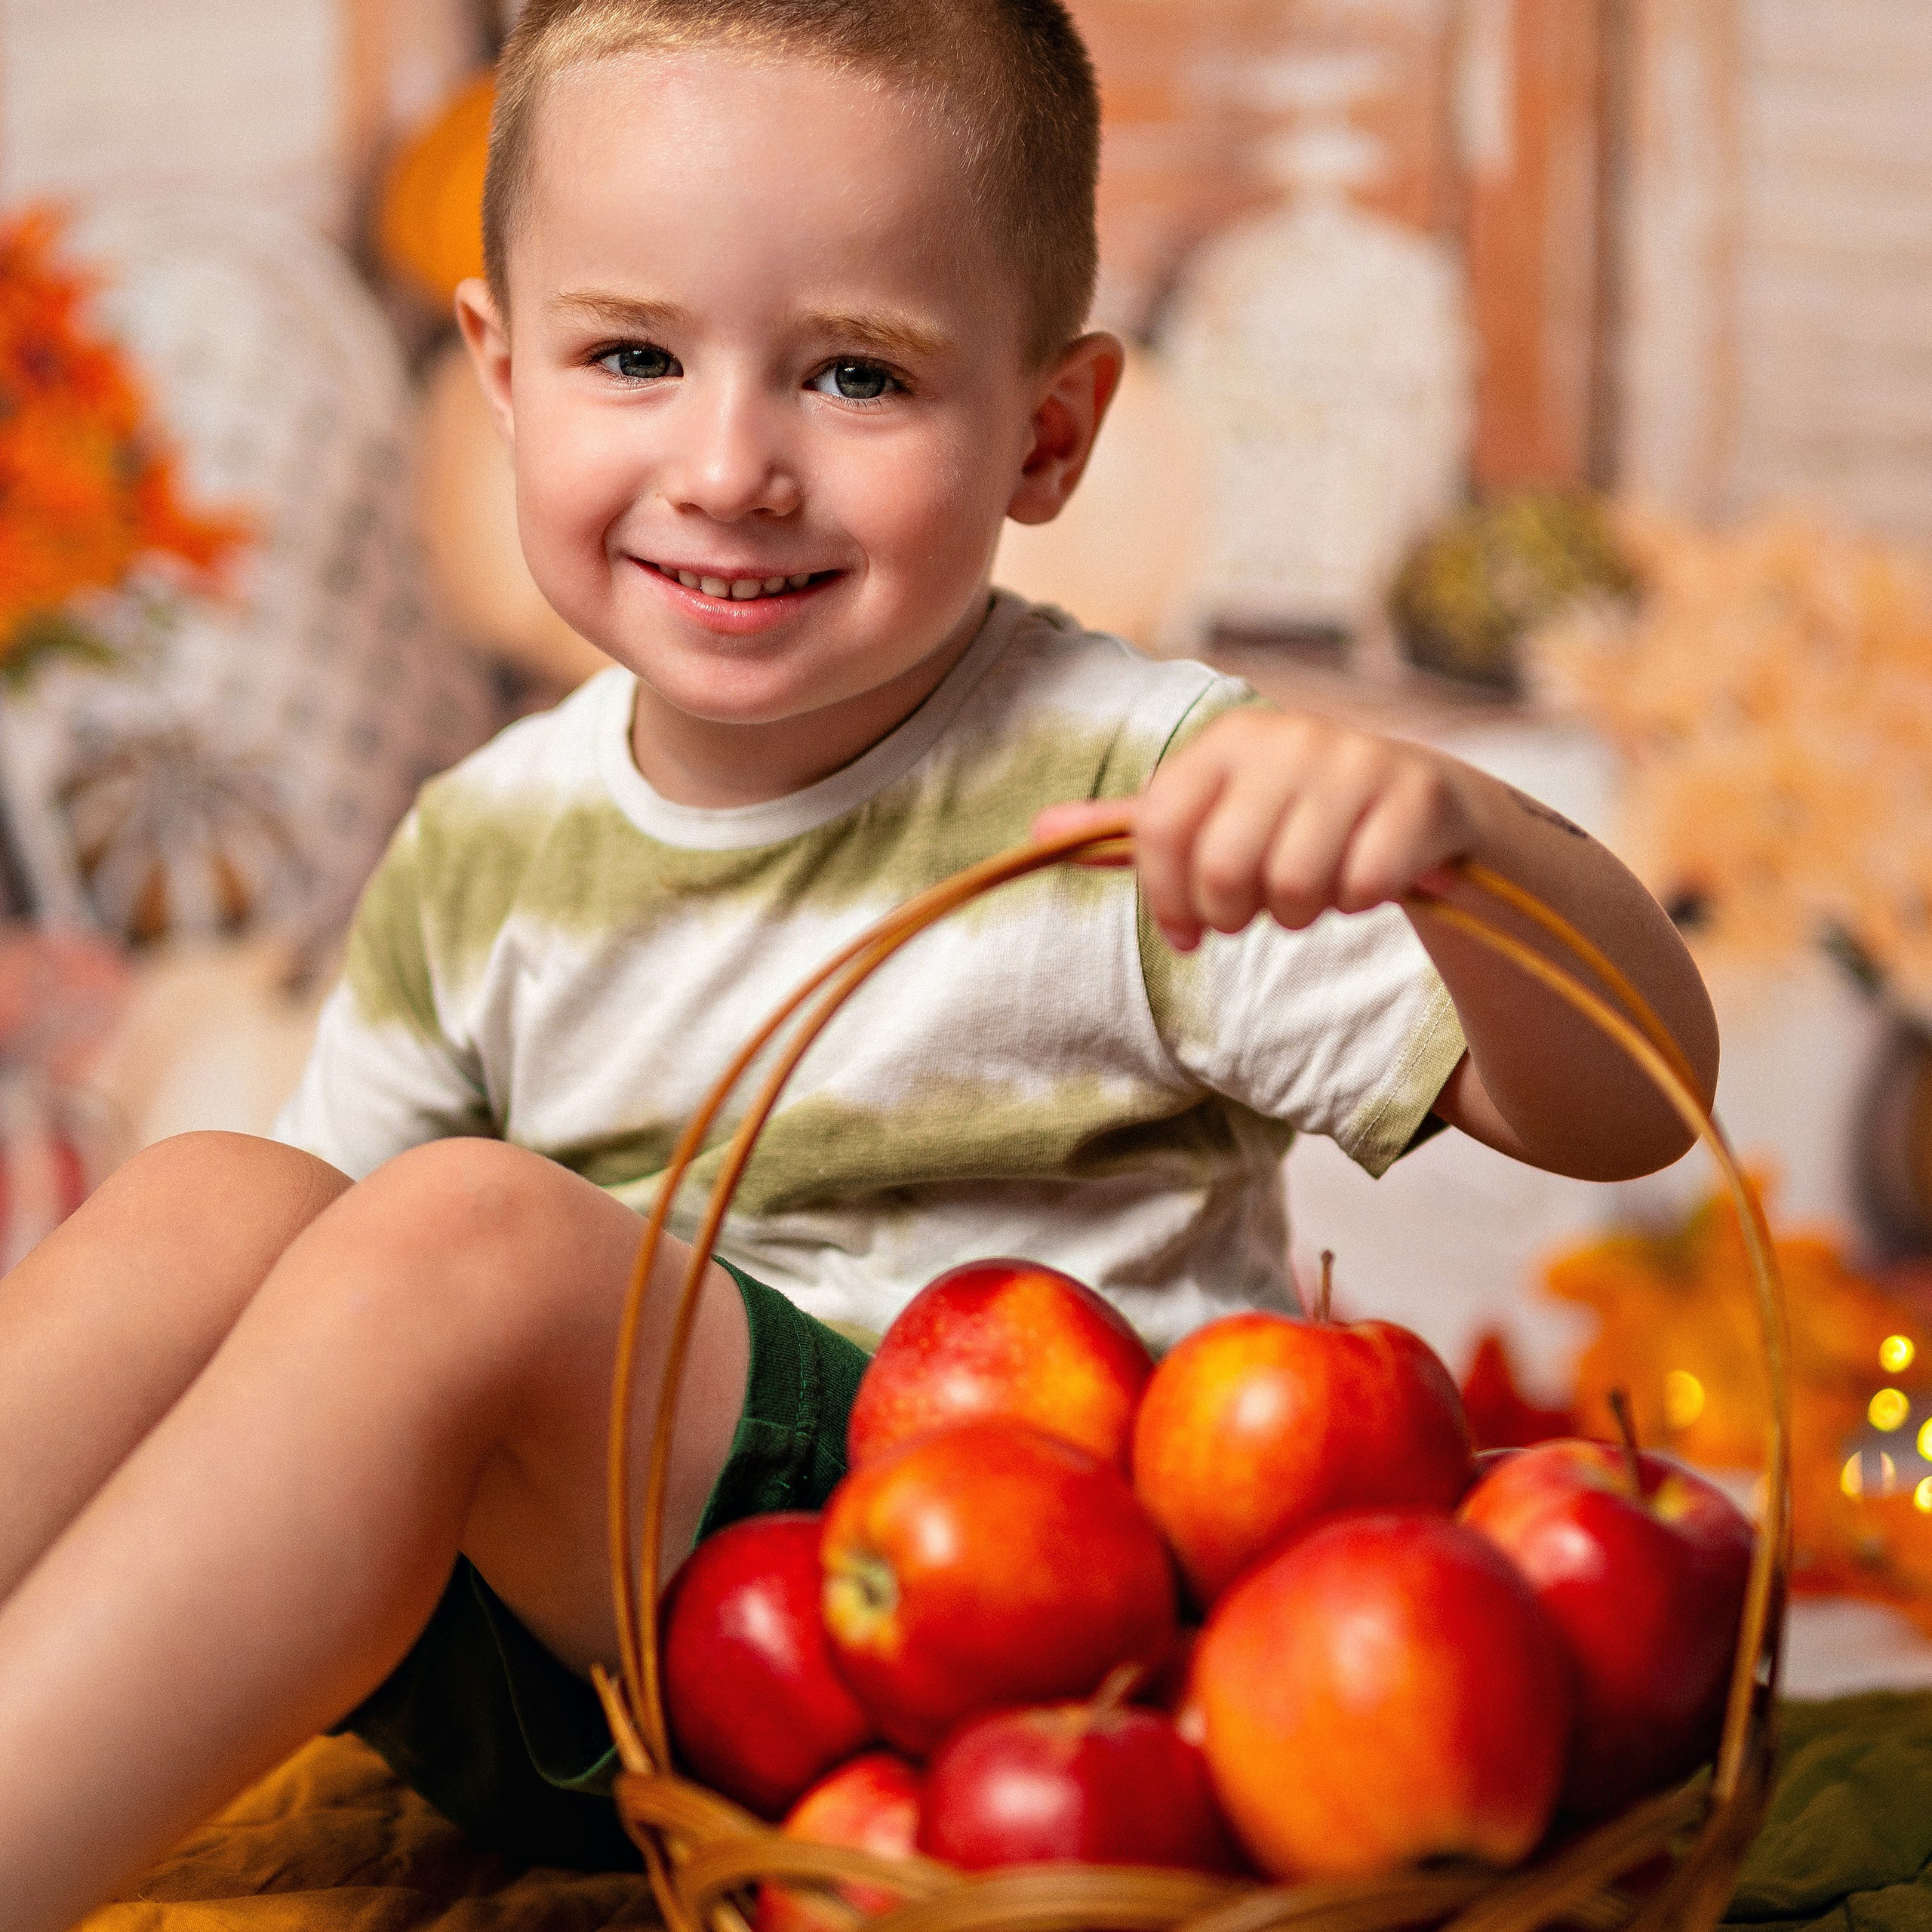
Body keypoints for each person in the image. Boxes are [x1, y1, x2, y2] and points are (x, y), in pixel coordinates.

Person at [0, 1, 1718, 1920]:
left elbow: (1621, 1116)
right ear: (501, 372)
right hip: (593, 1682)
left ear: (1045, 430)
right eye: (633, 354)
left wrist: (1469, 855)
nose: (730, 464)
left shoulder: (1145, 793)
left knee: (454, 1231)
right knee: (217, 1197)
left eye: (856, 378)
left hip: (975, 1670)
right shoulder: (483, 837)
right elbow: (305, 1329)